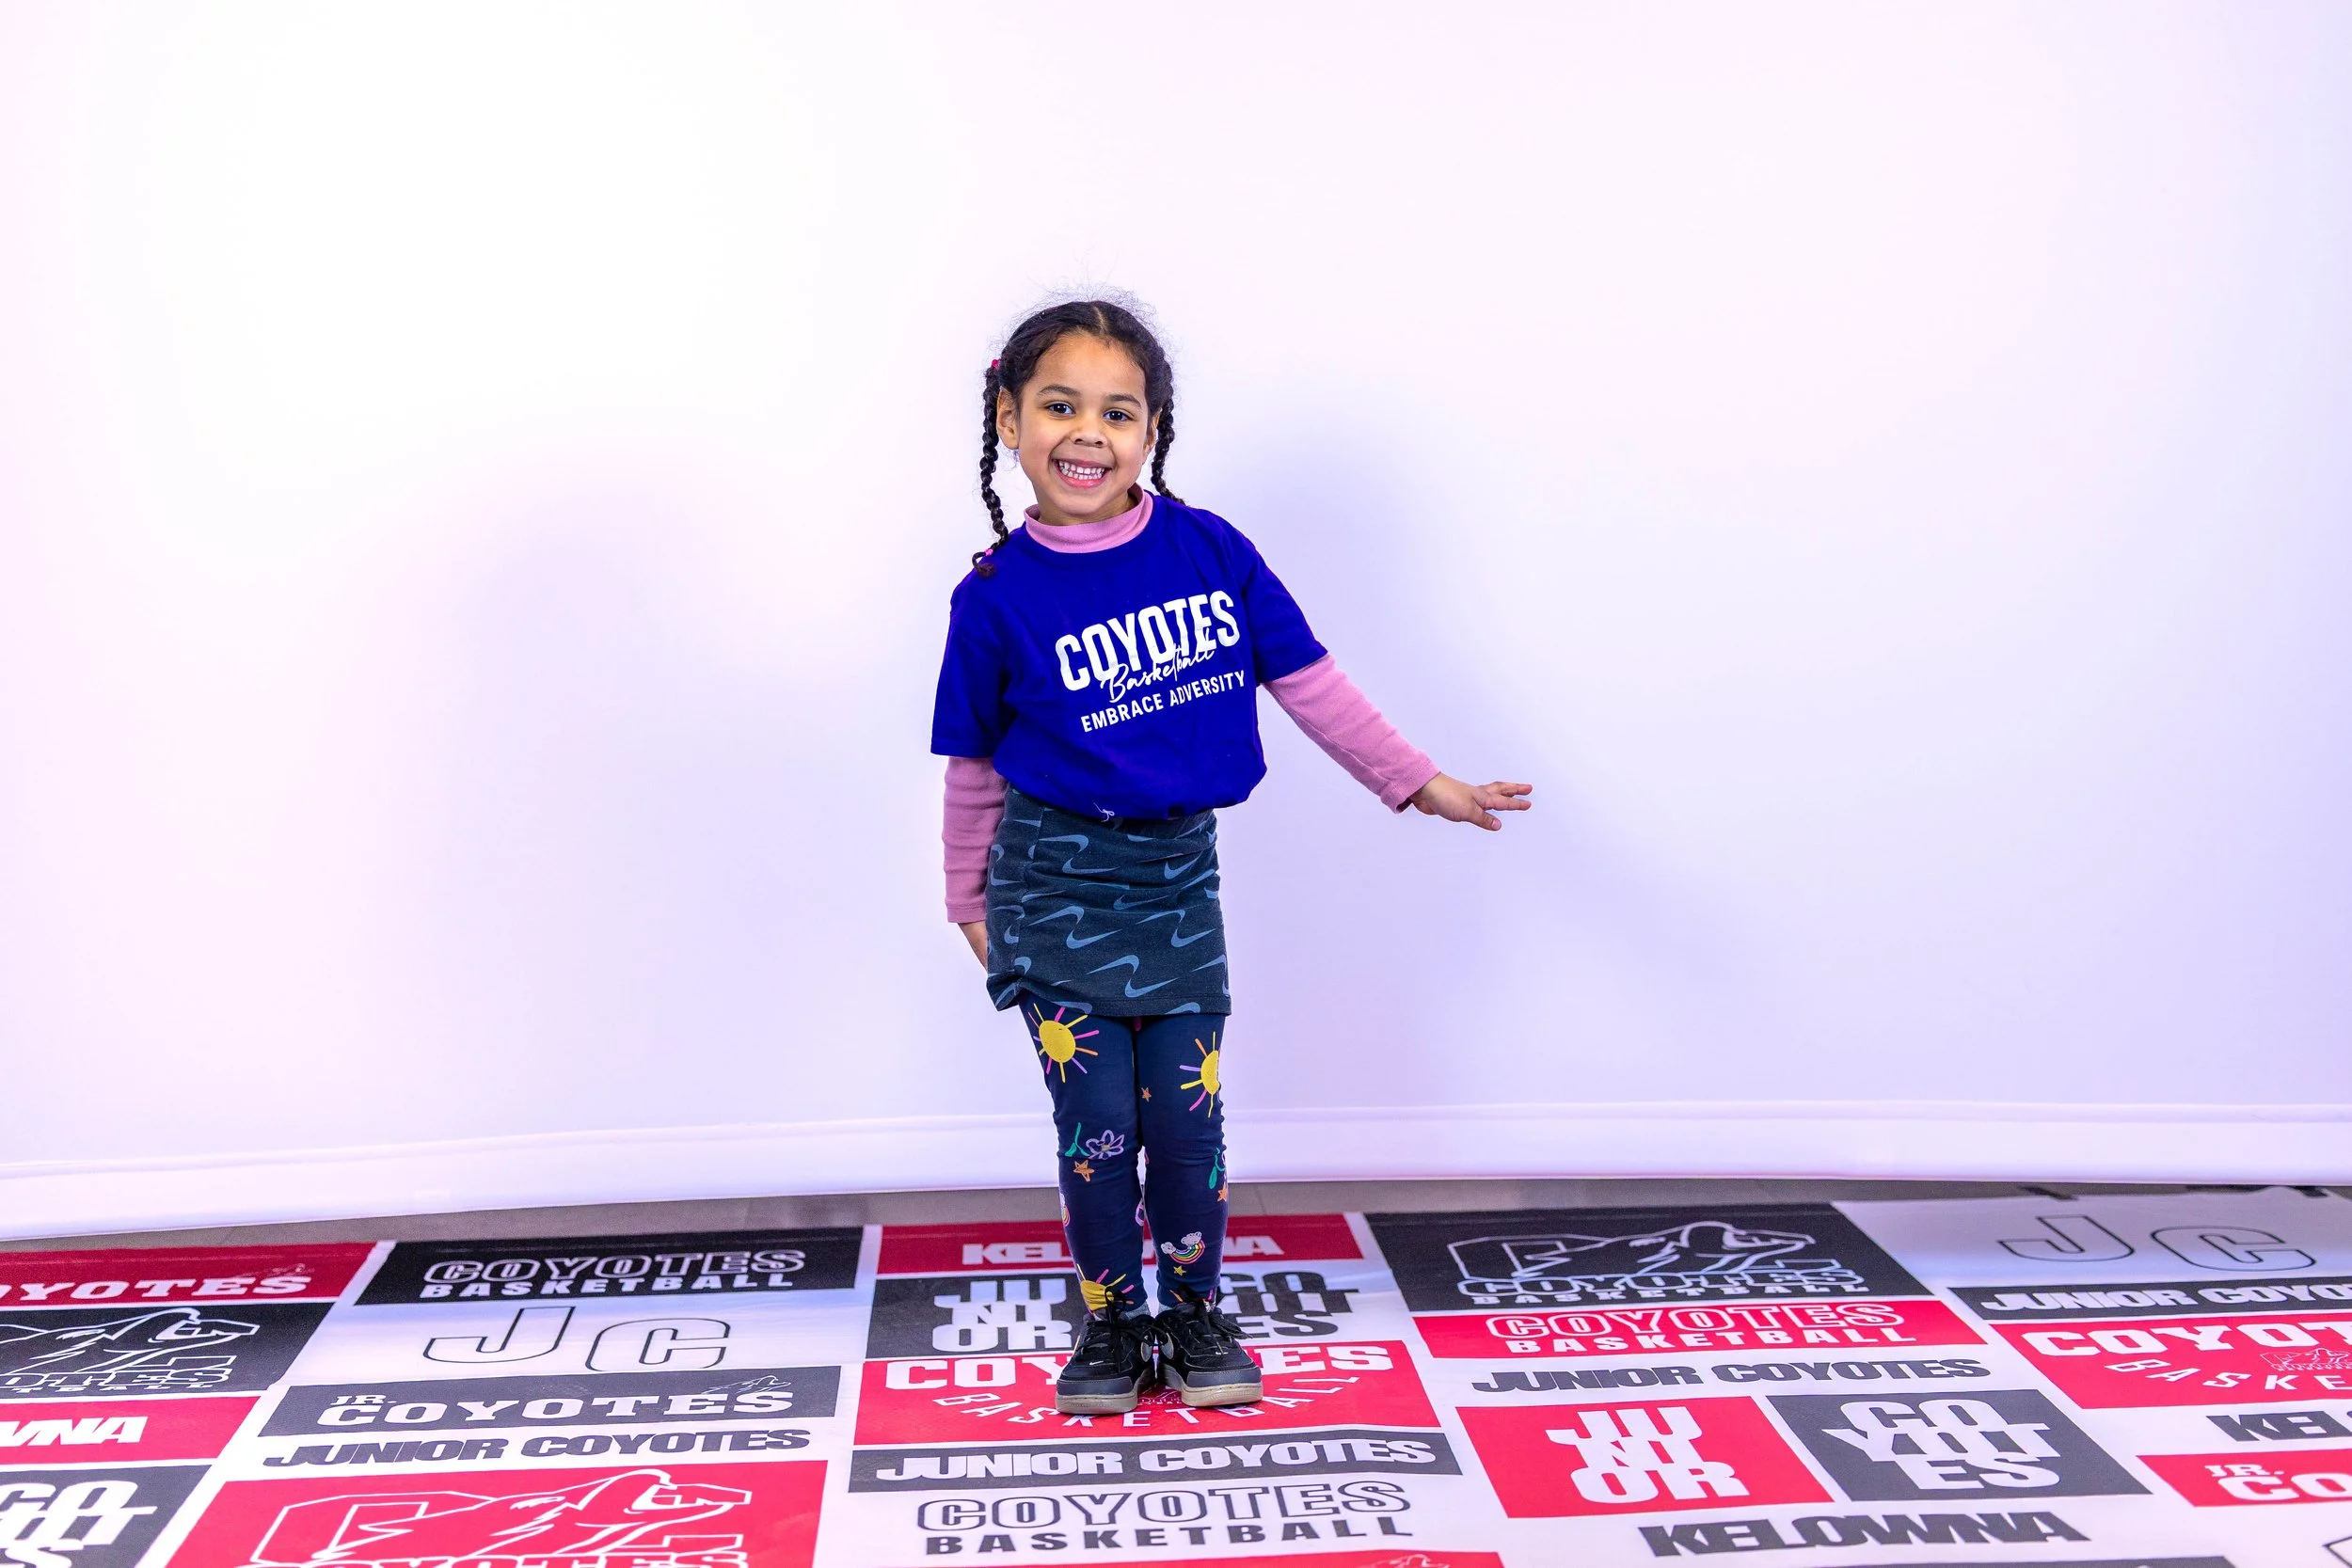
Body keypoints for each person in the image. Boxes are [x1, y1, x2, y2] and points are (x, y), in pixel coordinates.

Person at [930, 299, 1532, 1415]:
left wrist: (1416, 779)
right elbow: (971, 765)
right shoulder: (994, 596)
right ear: (1010, 418)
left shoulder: (1210, 551)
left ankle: (1197, 1307)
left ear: (1152, 429)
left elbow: (1309, 681)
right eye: (1059, 405)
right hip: (1054, 889)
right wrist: (965, 896)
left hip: (1174, 887)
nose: (1087, 433)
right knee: (1098, 1125)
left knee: (1185, 1115)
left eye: (1118, 411)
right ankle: (1113, 1325)